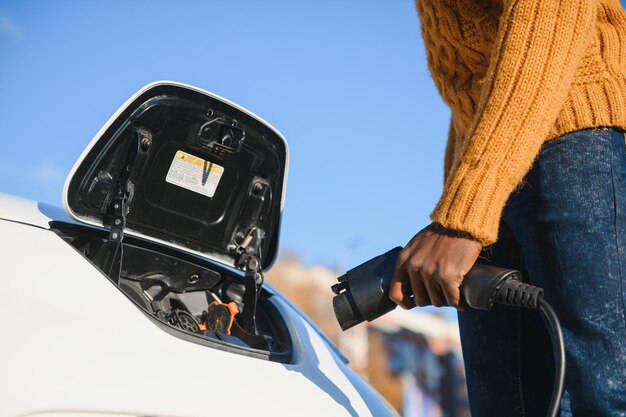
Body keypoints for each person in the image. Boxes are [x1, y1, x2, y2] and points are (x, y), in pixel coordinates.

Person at [388, 1, 626, 416]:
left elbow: (551, 10)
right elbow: (478, 64)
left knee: (602, 399)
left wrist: (463, 217)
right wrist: (463, 191)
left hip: (576, 130)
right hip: (494, 158)